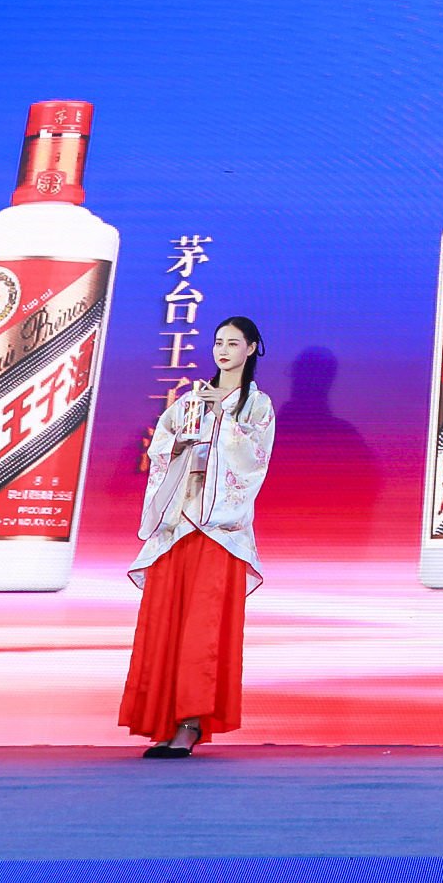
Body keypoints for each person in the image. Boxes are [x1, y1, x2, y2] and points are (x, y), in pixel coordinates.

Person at [120, 316, 276, 758]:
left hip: (218, 527)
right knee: (165, 619)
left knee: (202, 626)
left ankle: (190, 723)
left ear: (252, 348)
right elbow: (161, 448)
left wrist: (223, 417)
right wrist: (180, 448)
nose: (223, 350)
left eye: (234, 343)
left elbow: (254, 458)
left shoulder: (256, 405)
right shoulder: (190, 400)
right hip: (179, 520)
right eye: (218, 343)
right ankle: (161, 720)